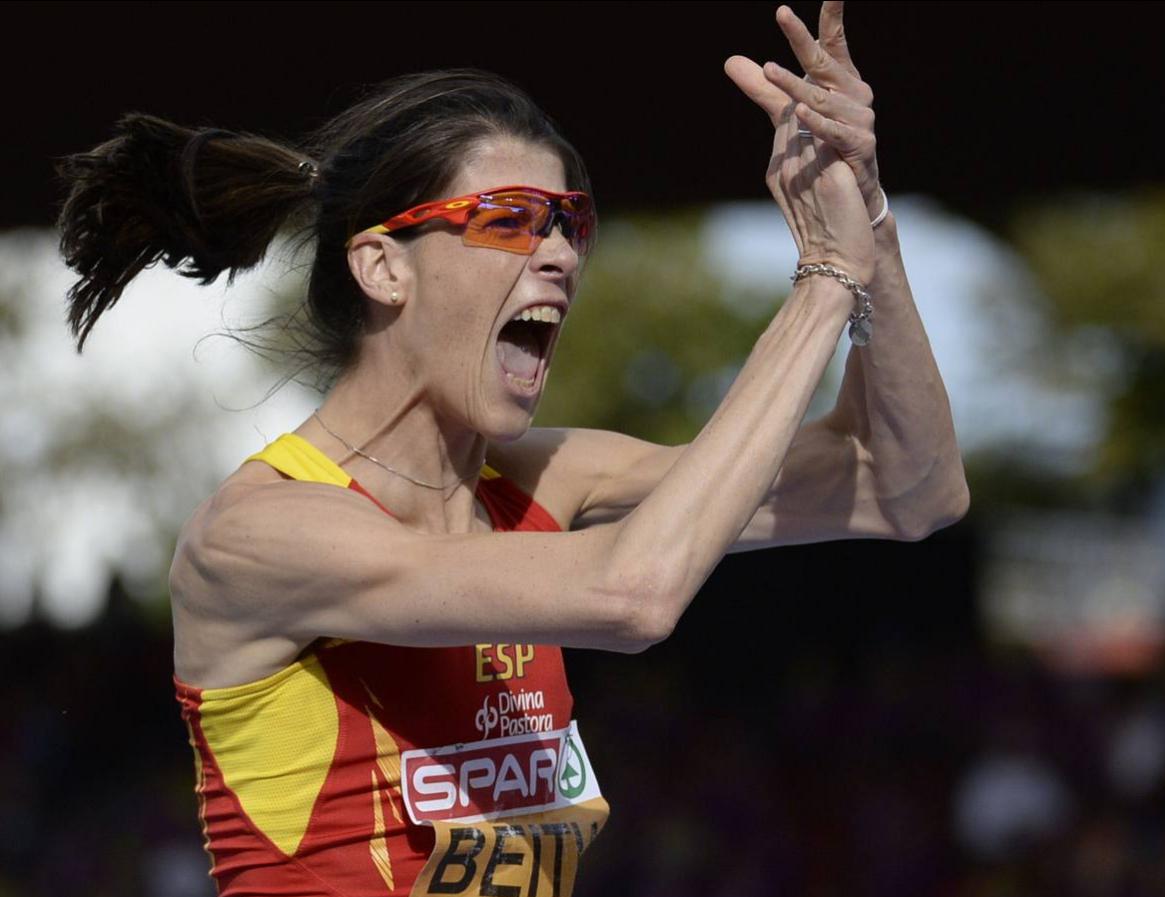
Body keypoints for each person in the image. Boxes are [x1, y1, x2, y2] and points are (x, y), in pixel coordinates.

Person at [56, 3, 966, 895]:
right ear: (382, 266)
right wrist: (823, 281)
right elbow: (632, 594)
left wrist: (871, 225)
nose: (561, 252)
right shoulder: (260, 534)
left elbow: (908, 487)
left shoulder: (548, 479)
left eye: (569, 221)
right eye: (510, 218)